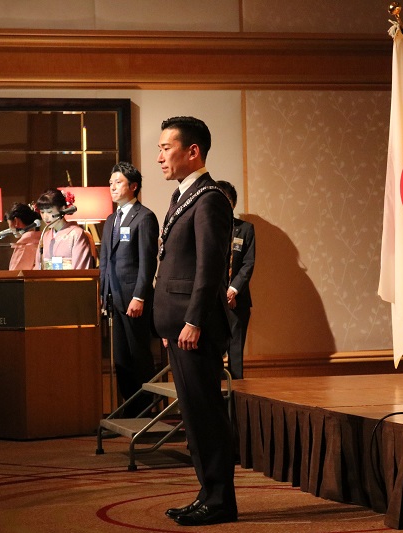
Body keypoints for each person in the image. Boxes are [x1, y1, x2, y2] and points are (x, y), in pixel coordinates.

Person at [153, 116, 237, 526]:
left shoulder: (210, 198)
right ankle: (208, 494)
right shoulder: (182, 196)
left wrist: (193, 321)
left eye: (165, 148)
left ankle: (220, 500)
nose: (159, 157)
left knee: (205, 415)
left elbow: (210, 268)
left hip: (195, 328)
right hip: (179, 327)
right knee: (193, 416)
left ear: (193, 151)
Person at [100, 162, 159, 417]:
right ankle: (130, 410)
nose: (113, 187)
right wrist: (103, 295)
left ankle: (145, 411)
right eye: (111, 183)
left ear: (133, 186)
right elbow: (105, 261)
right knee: (121, 359)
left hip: (134, 299)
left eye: (118, 182)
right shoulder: (111, 219)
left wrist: (139, 296)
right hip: (114, 298)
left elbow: (148, 262)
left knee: (139, 356)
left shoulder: (144, 217)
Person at [214, 180, 255, 380]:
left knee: (236, 352)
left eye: (227, 199)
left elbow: (248, 264)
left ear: (233, 203)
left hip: (238, 301)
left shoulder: (246, 229)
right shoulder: (207, 227)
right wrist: (221, 292)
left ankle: (237, 394)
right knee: (214, 351)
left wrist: (233, 290)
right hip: (214, 300)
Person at [34, 189, 92, 270]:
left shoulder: (76, 234)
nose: (45, 217)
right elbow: (38, 266)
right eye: (42, 212)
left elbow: (80, 268)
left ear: (62, 209)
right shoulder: (45, 236)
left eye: (49, 211)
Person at [5, 202, 41, 271]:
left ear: (16, 221)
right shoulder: (43, 238)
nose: (9, 228)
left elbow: (15, 273)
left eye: (9, 223)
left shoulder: (24, 244)